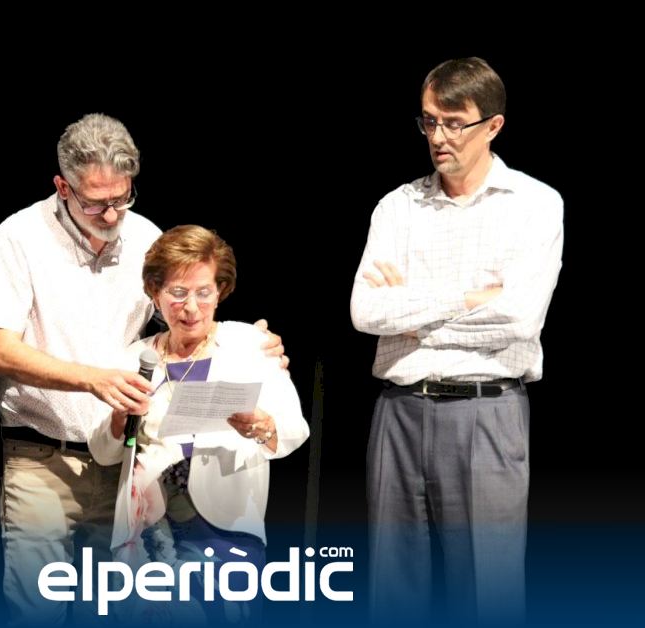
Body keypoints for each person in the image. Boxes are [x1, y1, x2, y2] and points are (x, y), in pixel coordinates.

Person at [0, 113, 286, 625]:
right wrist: (92, 379)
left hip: (125, 465)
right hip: (43, 459)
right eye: (97, 202)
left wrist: (251, 342)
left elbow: (185, 322)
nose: (113, 213)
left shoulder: (144, 237)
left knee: (120, 609)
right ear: (63, 187)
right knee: (37, 608)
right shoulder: (17, 239)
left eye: (123, 197)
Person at [350, 58, 563, 625]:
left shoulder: (534, 204)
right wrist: (469, 298)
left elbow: (519, 318)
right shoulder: (397, 206)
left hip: (485, 411)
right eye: (428, 121)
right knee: (392, 595)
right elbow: (366, 312)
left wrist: (412, 311)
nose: (438, 137)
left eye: (453, 122)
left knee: (486, 595)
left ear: (492, 125)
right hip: (399, 412)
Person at [88, 225, 309, 624]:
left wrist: (262, 425)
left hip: (228, 526)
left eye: (204, 292)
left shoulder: (248, 344)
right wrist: (120, 416)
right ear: (155, 292)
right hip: (148, 530)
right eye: (178, 292)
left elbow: (294, 429)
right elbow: (102, 452)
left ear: (220, 291)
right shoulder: (134, 358)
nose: (191, 307)